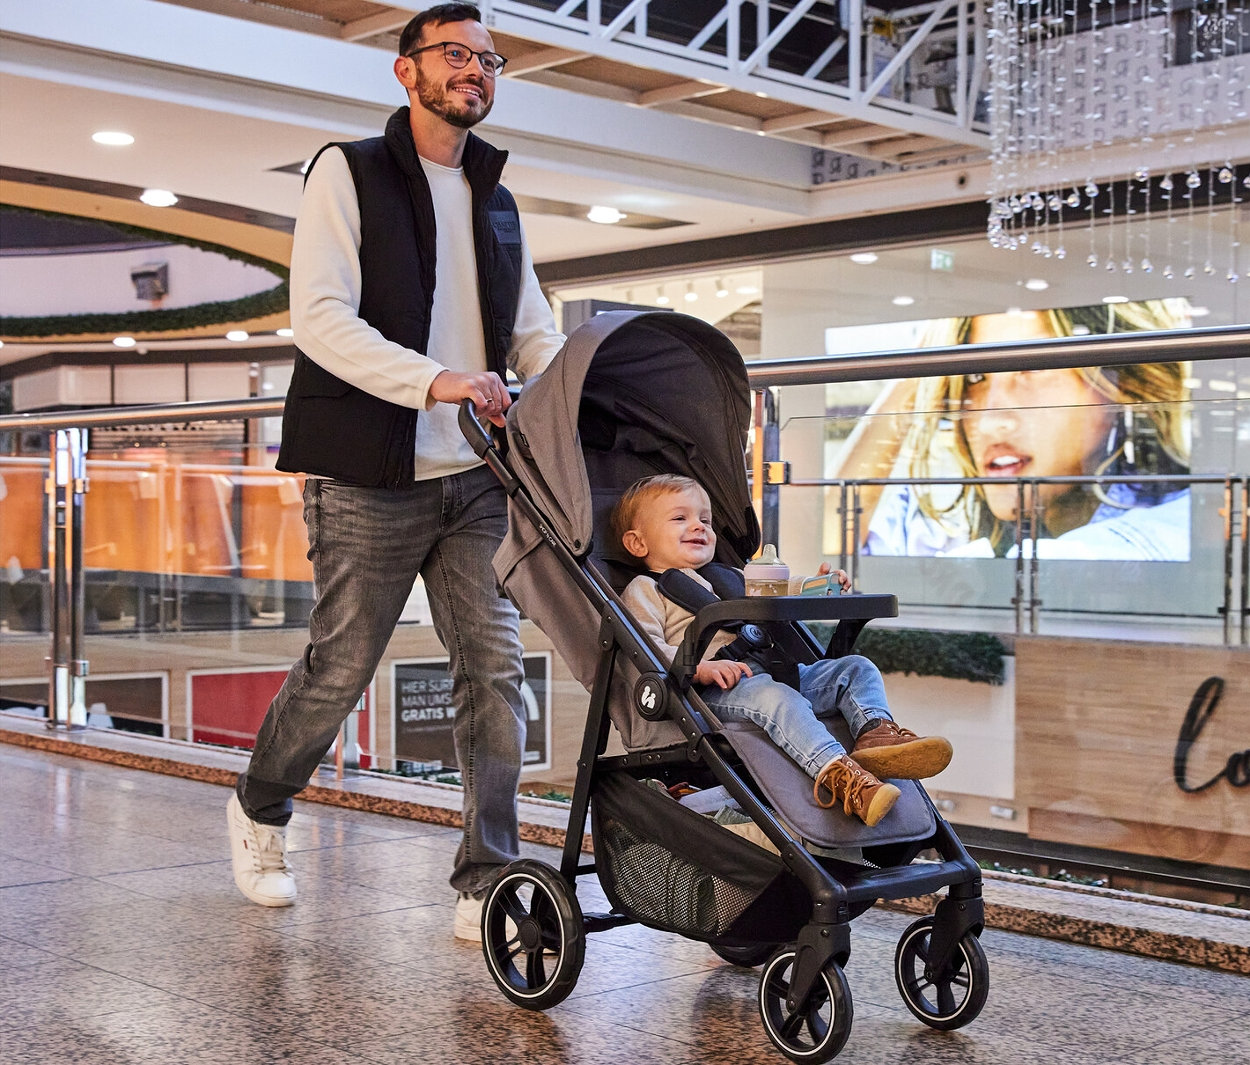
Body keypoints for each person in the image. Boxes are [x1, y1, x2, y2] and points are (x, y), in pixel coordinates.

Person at [225, 4, 565, 942]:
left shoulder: (495, 196)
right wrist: (436, 381)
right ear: (405, 71)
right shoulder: (349, 170)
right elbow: (322, 320)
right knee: (340, 667)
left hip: (478, 481)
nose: (476, 71)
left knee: (493, 672)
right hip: (368, 474)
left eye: (489, 59)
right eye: (455, 54)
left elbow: (531, 324)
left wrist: (576, 375)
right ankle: (259, 808)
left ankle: (485, 876)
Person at [612, 474, 952, 827]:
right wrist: (697, 668)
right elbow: (643, 649)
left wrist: (819, 585)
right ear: (637, 543)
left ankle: (875, 735)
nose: (698, 526)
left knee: (856, 668)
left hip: (776, 673)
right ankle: (842, 778)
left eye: (705, 520)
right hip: (715, 691)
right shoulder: (646, 589)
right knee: (778, 699)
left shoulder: (730, 577)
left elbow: (778, 587)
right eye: (680, 518)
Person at [832, 302, 1191, 559]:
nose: (989, 420)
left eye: (1030, 368)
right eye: (975, 377)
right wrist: (924, 362)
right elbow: (827, 547)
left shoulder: (1157, 533)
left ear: (1122, 383)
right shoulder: (951, 527)